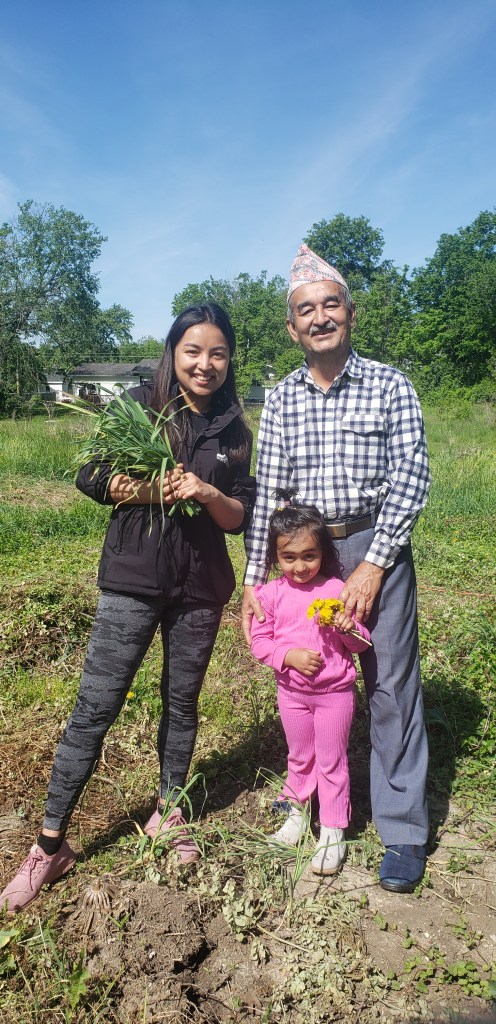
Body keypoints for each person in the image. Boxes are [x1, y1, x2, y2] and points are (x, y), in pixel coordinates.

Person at [1, 303, 255, 914]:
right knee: (97, 705)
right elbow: (90, 476)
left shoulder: (236, 428)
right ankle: (50, 843)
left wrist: (207, 491)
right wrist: (146, 489)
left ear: (228, 361)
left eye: (217, 353)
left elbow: (240, 517)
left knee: (182, 702)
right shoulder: (140, 406)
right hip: (134, 577)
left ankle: (169, 814)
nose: (205, 363)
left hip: (200, 586)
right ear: (174, 352)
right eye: (193, 350)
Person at [242, 244, 432, 894]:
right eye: (306, 310)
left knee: (387, 684)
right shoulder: (284, 398)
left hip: (378, 544)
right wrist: (253, 580)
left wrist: (375, 564)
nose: (320, 317)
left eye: (330, 305)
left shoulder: (389, 384)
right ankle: (307, 797)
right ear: (293, 328)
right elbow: (269, 493)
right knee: (310, 677)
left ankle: (403, 828)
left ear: (350, 313)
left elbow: (412, 474)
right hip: (305, 558)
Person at [250, 493, 371, 875]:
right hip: (292, 694)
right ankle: (296, 815)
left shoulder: (336, 590)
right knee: (299, 758)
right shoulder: (270, 595)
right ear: (275, 557)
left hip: (335, 694)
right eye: (289, 557)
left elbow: (361, 642)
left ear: (323, 553)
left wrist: (348, 630)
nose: (300, 566)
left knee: (332, 761)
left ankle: (333, 829)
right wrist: (288, 657)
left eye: (309, 556)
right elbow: (259, 642)